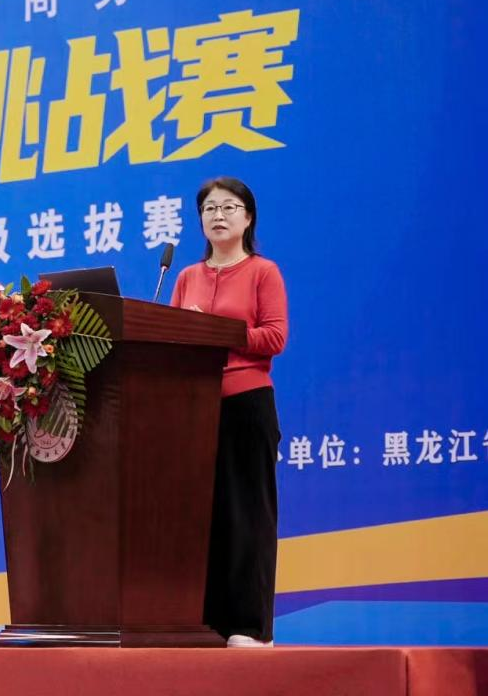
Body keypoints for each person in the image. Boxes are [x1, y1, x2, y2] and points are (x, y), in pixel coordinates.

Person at [171, 176, 288, 648]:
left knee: (247, 515)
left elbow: (274, 337)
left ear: (248, 217)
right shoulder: (186, 277)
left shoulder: (263, 271)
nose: (218, 215)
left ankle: (251, 627)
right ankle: (209, 622)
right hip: (194, 409)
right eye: (209, 208)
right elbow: (173, 336)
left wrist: (218, 331)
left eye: (228, 207)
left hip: (246, 403)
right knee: (204, 518)